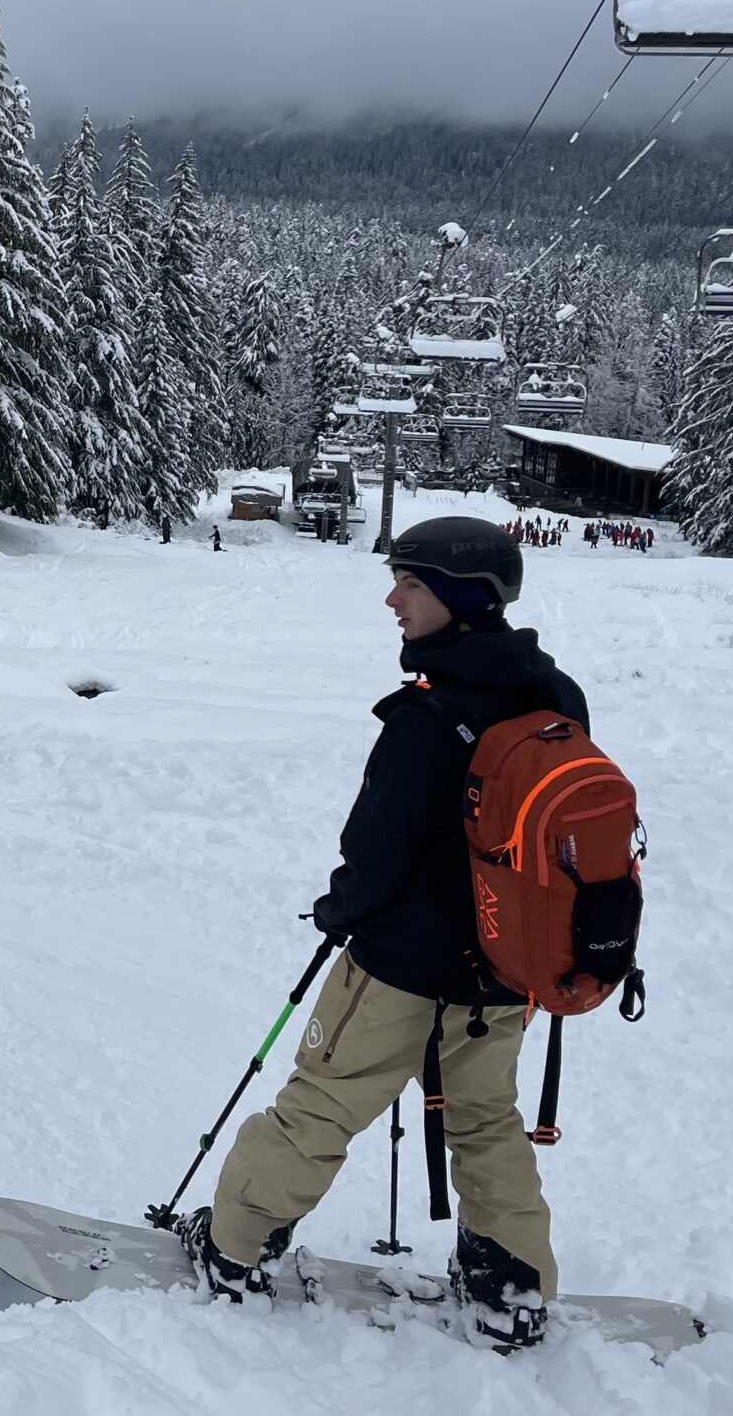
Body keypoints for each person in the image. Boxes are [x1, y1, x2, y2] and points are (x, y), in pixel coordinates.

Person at [179, 516, 575, 1350]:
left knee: (320, 1104)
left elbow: (375, 849)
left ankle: (234, 1245)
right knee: (484, 1119)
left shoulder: (425, 718)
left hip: (400, 968)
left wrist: (342, 910)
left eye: (412, 584)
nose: (392, 599)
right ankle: (512, 1287)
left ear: (462, 600)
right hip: (508, 968)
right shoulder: (555, 695)